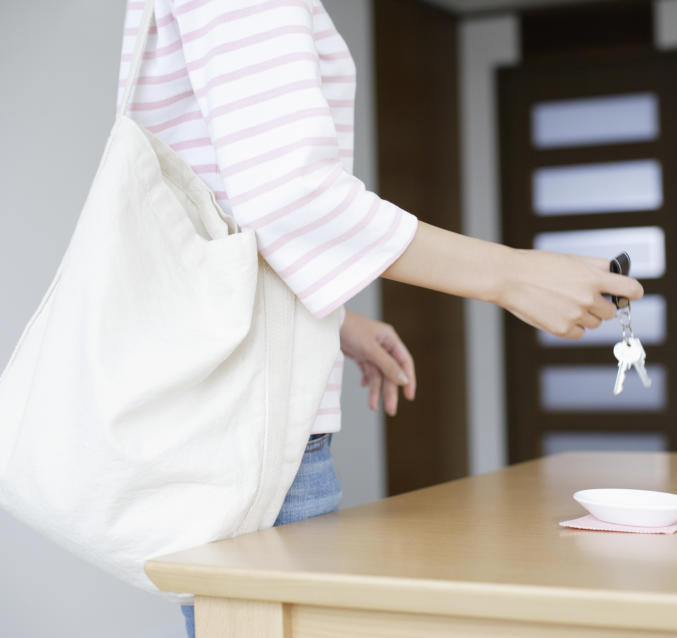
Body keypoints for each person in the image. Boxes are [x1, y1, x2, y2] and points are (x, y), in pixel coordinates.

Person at [116, 1, 641, 634]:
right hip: (261, 428)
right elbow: (291, 195)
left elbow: (225, 206)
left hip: (241, 413)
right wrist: (514, 275)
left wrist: (334, 325)